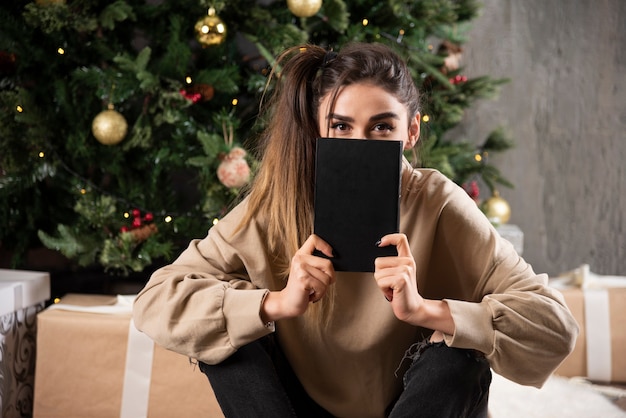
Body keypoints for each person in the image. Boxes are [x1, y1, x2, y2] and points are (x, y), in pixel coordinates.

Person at [133, 42, 578, 418]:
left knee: (461, 355)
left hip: (408, 405)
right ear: (316, 128)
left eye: (382, 127)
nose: (360, 145)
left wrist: (426, 310)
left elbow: (555, 327)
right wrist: (274, 303)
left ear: (412, 131)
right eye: (341, 126)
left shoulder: (438, 201)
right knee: (229, 344)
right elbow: (155, 300)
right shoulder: (280, 200)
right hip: (298, 406)